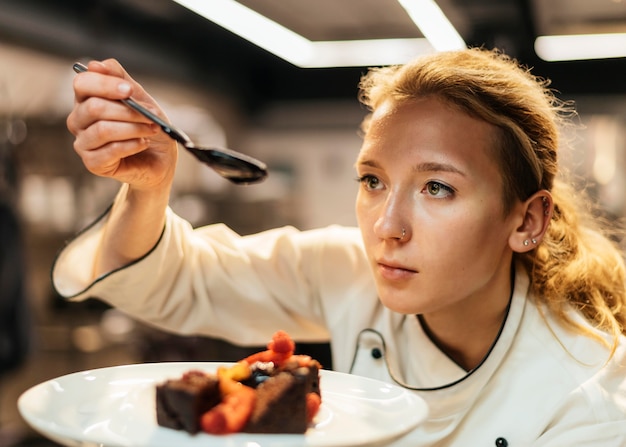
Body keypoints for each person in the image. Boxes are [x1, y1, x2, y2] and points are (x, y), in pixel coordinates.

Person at [52, 48, 626, 446]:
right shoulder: (348, 268)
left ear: (527, 220)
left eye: (437, 187)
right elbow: (172, 283)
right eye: (373, 181)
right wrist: (148, 187)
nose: (388, 227)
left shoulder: (590, 397)